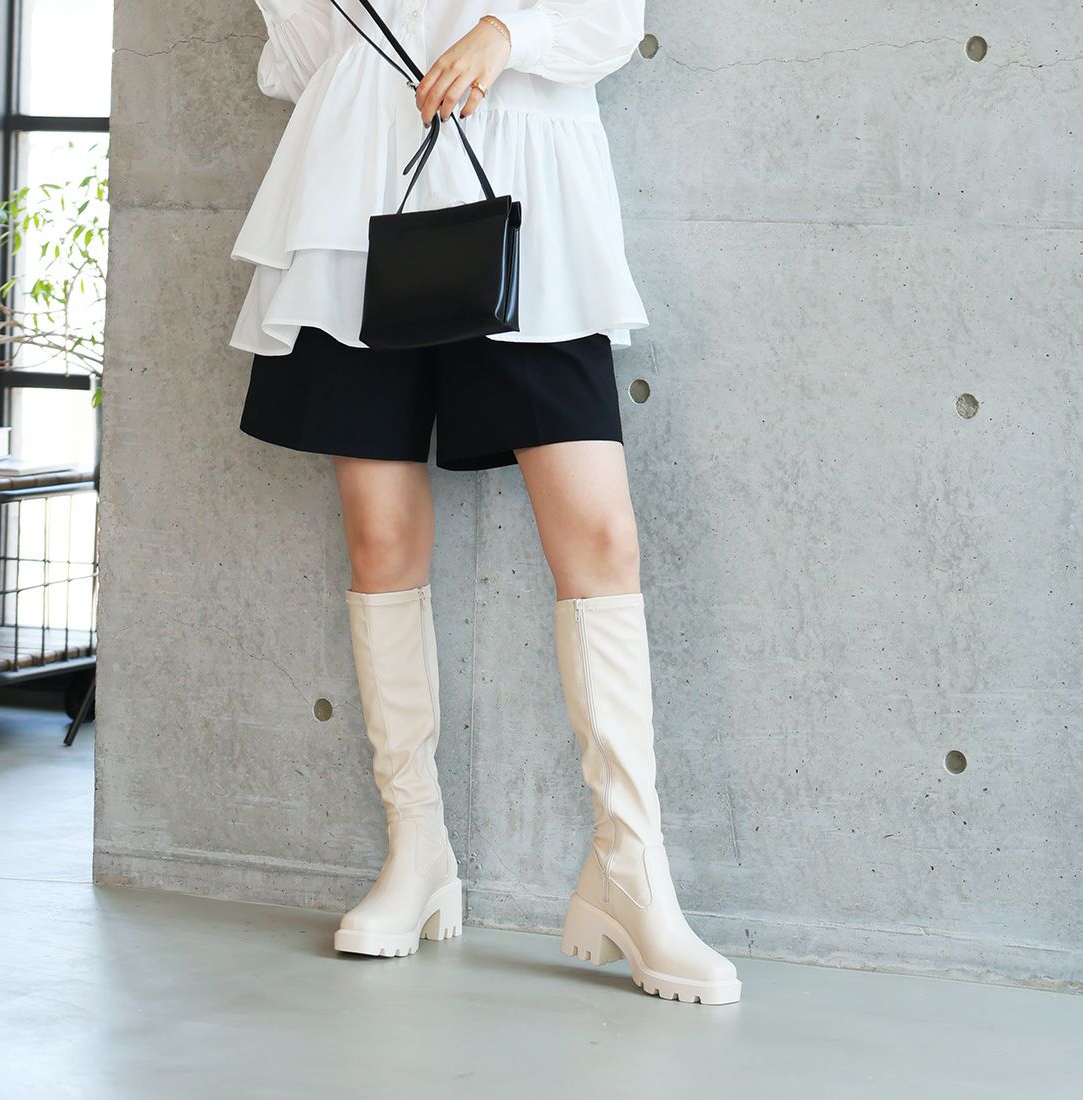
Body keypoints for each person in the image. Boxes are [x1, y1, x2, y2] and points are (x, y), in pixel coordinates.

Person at [229, 0, 742, 1006]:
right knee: (379, 535)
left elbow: (611, 21)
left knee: (598, 535)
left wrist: (507, 34)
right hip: (357, 191)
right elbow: (306, 54)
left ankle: (631, 870)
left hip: (527, 185)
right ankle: (415, 849)